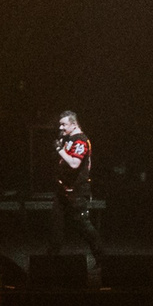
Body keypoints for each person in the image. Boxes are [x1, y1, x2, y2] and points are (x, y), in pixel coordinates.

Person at [50, 110, 105, 259]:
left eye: (64, 124)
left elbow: (74, 163)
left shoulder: (80, 140)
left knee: (84, 226)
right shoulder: (68, 139)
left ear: (74, 124)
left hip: (77, 192)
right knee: (56, 225)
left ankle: (101, 258)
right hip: (63, 190)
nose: (60, 128)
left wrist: (59, 150)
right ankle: (51, 259)